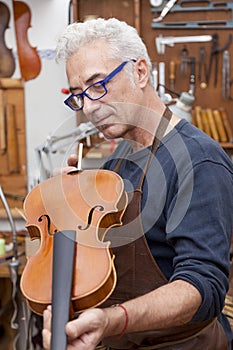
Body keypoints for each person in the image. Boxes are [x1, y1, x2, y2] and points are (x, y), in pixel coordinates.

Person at [42, 17, 233, 349]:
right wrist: (72, 201)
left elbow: (202, 287)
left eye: (98, 85)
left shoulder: (199, 160)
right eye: (78, 95)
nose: (88, 107)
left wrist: (113, 320)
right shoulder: (118, 162)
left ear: (140, 72)